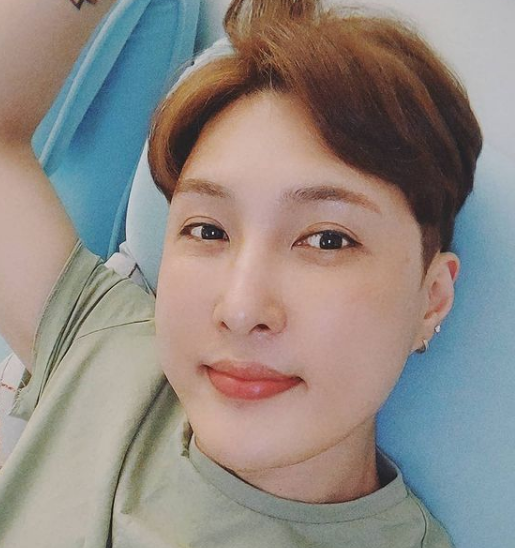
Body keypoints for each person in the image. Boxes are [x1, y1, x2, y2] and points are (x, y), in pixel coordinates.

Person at [0, 0, 482, 546]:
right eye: (207, 230)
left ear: (431, 299)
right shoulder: (105, 346)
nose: (241, 309)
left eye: (327, 240)